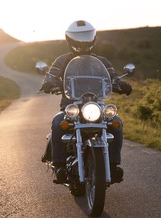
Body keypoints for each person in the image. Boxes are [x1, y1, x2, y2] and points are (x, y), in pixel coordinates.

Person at [39, 20, 132, 184]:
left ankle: (113, 165)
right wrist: (48, 83)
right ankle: (59, 165)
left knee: (116, 123)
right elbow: (51, 75)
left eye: (86, 38)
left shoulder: (101, 61)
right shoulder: (62, 60)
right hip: (71, 106)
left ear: (93, 38)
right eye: (78, 39)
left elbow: (112, 76)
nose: (82, 43)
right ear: (69, 40)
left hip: (96, 105)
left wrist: (121, 83)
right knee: (58, 121)